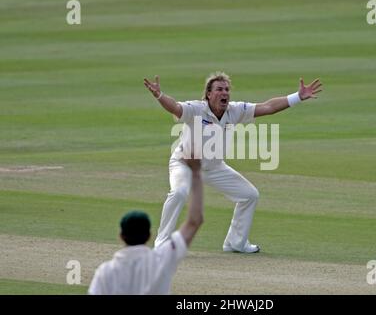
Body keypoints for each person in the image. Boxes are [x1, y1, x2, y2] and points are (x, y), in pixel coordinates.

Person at [144, 72, 322, 253]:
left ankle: (235, 243)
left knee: (249, 195)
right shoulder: (196, 109)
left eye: (227, 89)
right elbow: (174, 107)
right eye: (219, 89)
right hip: (184, 164)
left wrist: (297, 97)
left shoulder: (236, 110)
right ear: (208, 94)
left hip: (214, 167)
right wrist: (159, 95)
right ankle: (162, 242)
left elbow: (267, 107)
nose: (225, 93)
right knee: (180, 192)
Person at [88, 158, 203, 295]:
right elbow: (194, 221)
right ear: (149, 235)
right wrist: (195, 174)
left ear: (121, 236)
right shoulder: (162, 259)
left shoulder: (105, 272)